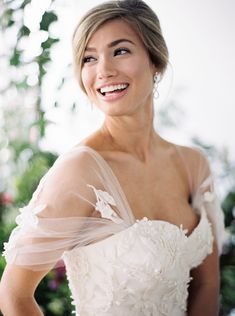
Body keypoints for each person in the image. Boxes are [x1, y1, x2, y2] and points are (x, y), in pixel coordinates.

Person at [0, 0, 225, 315]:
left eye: (120, 51)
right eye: (89, 58)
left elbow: (207, 283)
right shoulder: (80, 170)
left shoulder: (193, 165)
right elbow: (14, 294)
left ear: (155, 61)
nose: (103, 71)